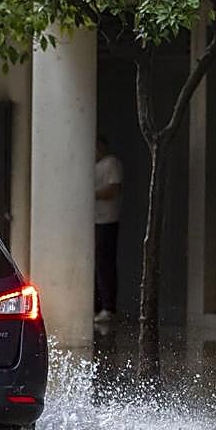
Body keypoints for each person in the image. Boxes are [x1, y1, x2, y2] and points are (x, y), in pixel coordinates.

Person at [94, 134, 123, 323]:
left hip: (107, 220)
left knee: (105, 263)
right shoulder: (93, 166)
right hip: (93, 221)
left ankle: (108, 306)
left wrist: (90, 193)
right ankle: (97, 305)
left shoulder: (111, 163)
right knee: (96, 264)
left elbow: (113, 189)